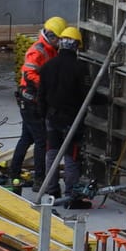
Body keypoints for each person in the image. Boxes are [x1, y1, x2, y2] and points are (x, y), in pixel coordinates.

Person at [7, 16, 67, 191]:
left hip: (30, 101)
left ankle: (14, 172)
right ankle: (39, 179)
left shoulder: (50, 49)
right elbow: (30, 74)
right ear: (52, 35)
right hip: (31, 102)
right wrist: (48, 87)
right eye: (59, 38)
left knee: (26, 138)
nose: (60, 42)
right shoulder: (38, 51)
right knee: (42, 141)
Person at [38, 26, 91, 207]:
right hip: (72, 120)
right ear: (76, 46)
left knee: (52, 154)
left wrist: (43, 115)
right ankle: (71, 197)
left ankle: (52, 191)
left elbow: (41, 95)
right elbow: (86, 95)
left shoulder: (47, 67)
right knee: (71, 157)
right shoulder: (80, 68)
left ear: (60, 44)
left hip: (52, 118)